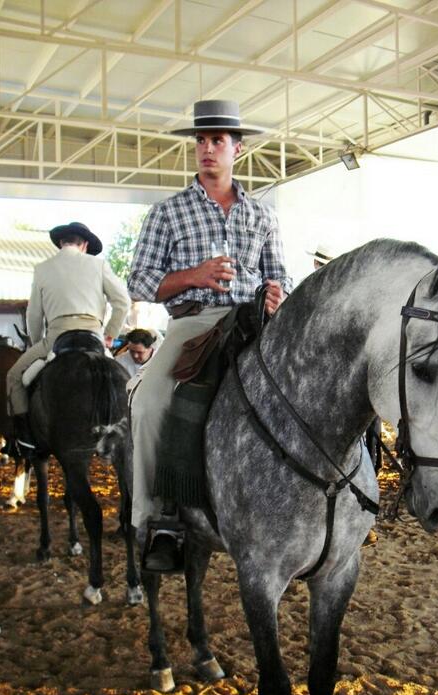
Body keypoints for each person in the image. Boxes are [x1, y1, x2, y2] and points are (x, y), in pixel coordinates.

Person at [127, 99, 293, 570]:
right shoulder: (168, 213)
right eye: (201, 140)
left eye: (217, 140)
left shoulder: (262, 215)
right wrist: (193, 275)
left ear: (236, 149)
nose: (206, 149)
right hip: (195, 325)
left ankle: (341, 501)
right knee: (149, 403)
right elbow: (138, 281)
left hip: (255, 321)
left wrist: (279, 294)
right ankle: (157, 519)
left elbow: (283, 275)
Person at [5, 222, 130, 454]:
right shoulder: (99, 264)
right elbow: (123, 303)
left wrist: (36, 342)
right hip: (94, 335)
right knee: (129, 381)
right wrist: (110, 335)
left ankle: (25, 440)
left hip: (56, 337)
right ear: (83, 244)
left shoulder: (42, 268)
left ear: (62, 243)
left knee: (14, 377)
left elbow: (34, 315)